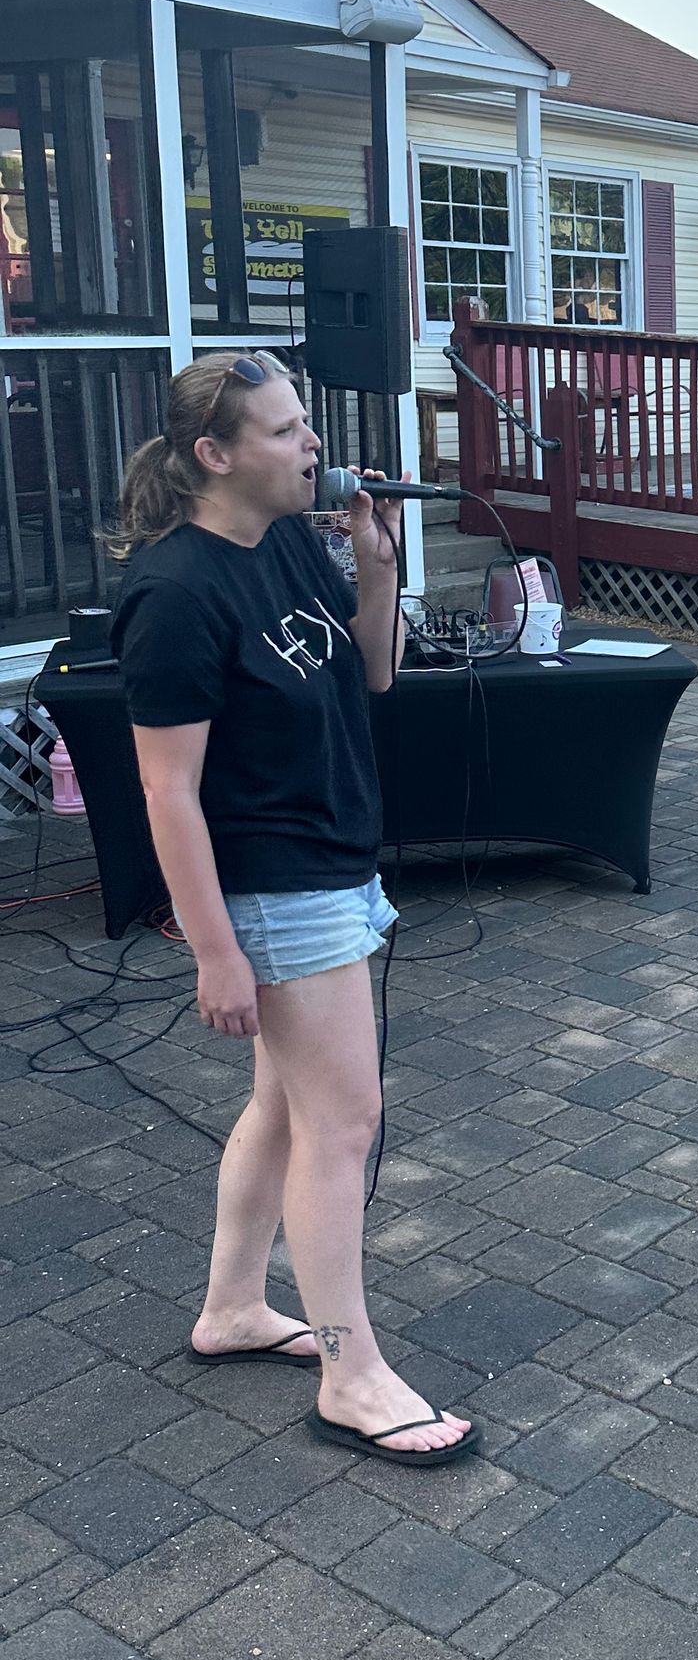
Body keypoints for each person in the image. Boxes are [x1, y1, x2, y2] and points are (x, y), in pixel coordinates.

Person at [109, 351, 477, 1466]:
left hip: (333, 863)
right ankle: (351, 1374)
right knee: (344, 1124)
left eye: (305, 422)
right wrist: (214, 950)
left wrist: (375, 570)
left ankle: (231, 1309)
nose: (311, 444)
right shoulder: (177, 592)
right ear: (214, 455)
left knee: (285, 1106)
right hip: (276, 887)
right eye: (282, 430)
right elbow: (166, 791)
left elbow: (373, 674)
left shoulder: (285, 543)